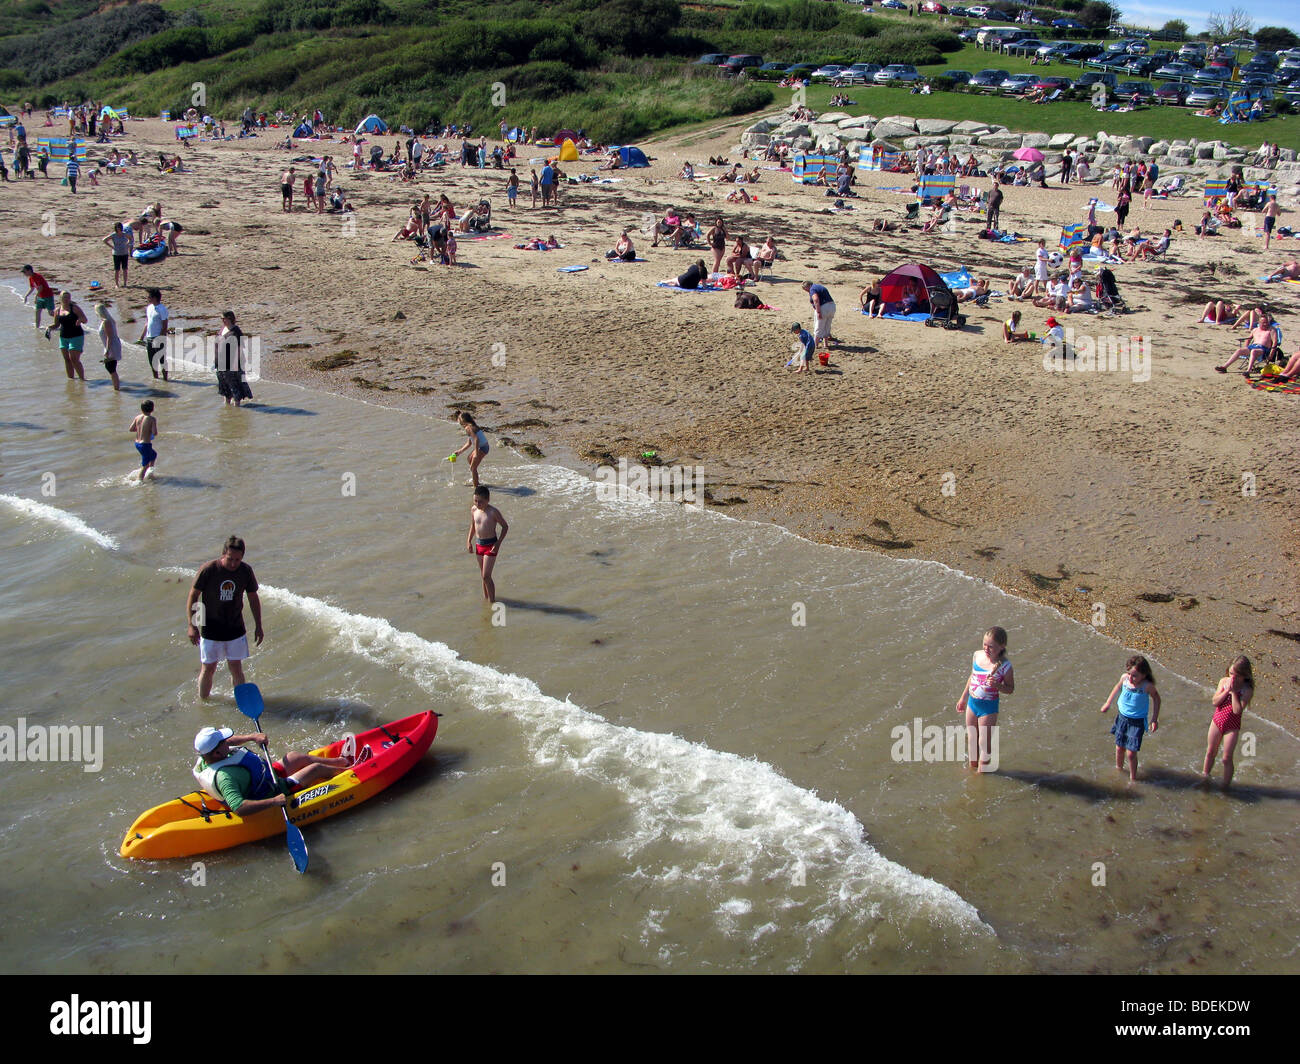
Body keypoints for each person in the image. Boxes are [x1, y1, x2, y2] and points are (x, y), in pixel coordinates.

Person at [191, 726, 356, 816]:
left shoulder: (209, 755)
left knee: (294, 756)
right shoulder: (224, 777)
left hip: (265, 778)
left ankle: (340, 761)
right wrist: (274, 801)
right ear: (217, 752)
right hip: (269, 792)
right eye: (224, 742)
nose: (228, 742)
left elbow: (229, 740)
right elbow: (239, 808)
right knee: (315, 769)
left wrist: (252, 736)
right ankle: (351, 770)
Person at [186, 536, 264, 700]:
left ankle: (241, 702)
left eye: (238, 559)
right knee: (208, 668)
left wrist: (258, 625)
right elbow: (194, 596)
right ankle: (204, 703)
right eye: (230, 559)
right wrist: (193, 625)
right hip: (211, 629)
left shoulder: (246, 571)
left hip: (235, 628)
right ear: (223, 554)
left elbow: (253, 598)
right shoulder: (209, 569)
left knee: (236, 668)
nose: (234, 563)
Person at [955, 626, 1013, 773]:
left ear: (1002, 647)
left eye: (991, 647)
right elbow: (972, 676)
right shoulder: (977, 655)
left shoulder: (1005, 666)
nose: (986, 649)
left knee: (983, 743)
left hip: (988, 708)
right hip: (972, 704)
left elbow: (1010, 689)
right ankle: (972, 769)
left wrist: (997, 685)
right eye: (985, 644)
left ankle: (982, 773)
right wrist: (963, 698)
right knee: (972, 740)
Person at [1099, 655, 1161, 782]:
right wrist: (1108, 703)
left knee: (1131, 753)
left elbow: (1156, 698)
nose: (1131, 678)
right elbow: (1117, 687)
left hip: (1136, 722)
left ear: (1144, 675)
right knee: (1119, 748)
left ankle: (1133, 779)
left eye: (1135, 675)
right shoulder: (1125, 679)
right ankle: (1119, 770)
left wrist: (1154, 719)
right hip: (1122, 718)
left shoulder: (1146, 686)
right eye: (1130, 674)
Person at [1202, 656, 1253, 789]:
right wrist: (1226, 691)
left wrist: (1234, 693)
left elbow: (1237, 711)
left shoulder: (1247, 690)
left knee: (1226, 758)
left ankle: (1225, 786)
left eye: (1236, 676)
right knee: (1210, 752)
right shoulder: (1223, 681)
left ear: (1244, 676)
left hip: (1232, 726)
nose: (1233, 678)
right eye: (1231, 674)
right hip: (1217, 721)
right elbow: (1214, 702)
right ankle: (1205, 776)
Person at [467, 485, 508, 604]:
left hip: (491, 545)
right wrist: (468, 541)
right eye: (475, 500)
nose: (477, 504)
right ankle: (486, 601)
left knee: (486, 576)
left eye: (480, 501)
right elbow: (473, 526)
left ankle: (492, 602)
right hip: (479, 544)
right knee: (483, 576)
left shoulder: (493, 512)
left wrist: (498, 543)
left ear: (487, 500)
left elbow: (505, 527)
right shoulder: (474, 510)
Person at [45, 290, 88, 380]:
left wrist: (80, 320)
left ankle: (82, 380)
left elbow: (85, 319)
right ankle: (71, 380)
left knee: (74, 359)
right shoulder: (57, 310)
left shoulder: (74, 308)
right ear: (60, 298)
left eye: (68, 297)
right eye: (64, 297)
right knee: (67, 359)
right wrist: (49, 328)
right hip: (63, 337)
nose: (66, 299)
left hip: (76, 336)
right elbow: (56, 325)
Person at [215, 311, 252, 406]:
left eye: (224, 318)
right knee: (225, 389)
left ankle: (237, 408)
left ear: (230, 318)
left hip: (233, 365)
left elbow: (240, 348)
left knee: (236, 389)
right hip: (221, 363)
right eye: (222, 319)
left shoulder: (236, 331)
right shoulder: (222, 329)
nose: (223, 320)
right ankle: (227, 408)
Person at [451, 411, 490, 487]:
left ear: (462, 421)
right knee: (469, 459)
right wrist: (459, 452)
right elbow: (469, 443)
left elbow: (476, 440)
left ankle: (476, 486)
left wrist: (476, 453)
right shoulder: (471, 426)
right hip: (483, 446)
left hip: (483, 447)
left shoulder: (468, 428)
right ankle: (476, 480)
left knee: (473, 468)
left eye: (458, 419)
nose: (458, 421)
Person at [139, 287, 169, 381]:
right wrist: (141, 337)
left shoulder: (162, 309)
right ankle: (156, 379)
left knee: (162, 361)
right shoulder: (149, 308)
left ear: (154, 298)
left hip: (159, 338)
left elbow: (165, 326)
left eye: (149, 297)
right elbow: (147, 323)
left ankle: (165, 380)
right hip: (149, 338)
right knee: (152, 362)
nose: (147, 299)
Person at [129, 399, 158, 482]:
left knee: (153, 455)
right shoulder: (152, 419)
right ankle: (139, 480)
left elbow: (131, 429)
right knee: (145, 465)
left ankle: (150, 473)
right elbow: (154, 432)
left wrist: (141, 430)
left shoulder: (137, 417)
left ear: (141, 409)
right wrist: (149, 432)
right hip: (145, 444)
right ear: (152, 409)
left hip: (137, 443)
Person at [802, 280, 835, 350]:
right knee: (827, 326)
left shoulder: (812, 289)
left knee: (819, 327)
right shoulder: (819, 287)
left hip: (824, 307)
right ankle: (825, 344)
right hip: (832, 306)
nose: (807, 292)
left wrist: (818, 312)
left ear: (807, 286)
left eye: (805, 290)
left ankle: (814, 345)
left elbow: (816, 299)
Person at [96, 302, 121, 391]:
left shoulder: (106, 322)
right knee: (111, 367)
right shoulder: (108, 320)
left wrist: (107, 350)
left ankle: (117, 389)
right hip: (112, 345)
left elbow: (109, 337)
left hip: (112, 346)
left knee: (111, 367)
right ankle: (116, 388)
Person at [22, 264, 56, 329]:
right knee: (37, 312)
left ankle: (62, 319)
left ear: (29, 271)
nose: (24, 274)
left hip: (47, 296)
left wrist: (36, 296)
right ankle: (37, 328)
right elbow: (32, 288)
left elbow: (41, 288)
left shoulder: (37, 276)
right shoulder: (30, 278)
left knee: (51, 313)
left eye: (24, 272)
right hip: (40, 297)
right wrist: (26, 296)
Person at [103, 222, 132, 287]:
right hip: (116, 254)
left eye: (119, 227)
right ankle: (116, 284)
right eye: (117, 227)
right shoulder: (114, 235)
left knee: (125, 269)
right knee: (117, 270)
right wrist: (112, 247)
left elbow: (130, 238)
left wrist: (127, 244)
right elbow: (104, 240)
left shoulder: (124, 234)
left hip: (124, 253)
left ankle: (125, 283)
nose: (118, 229)